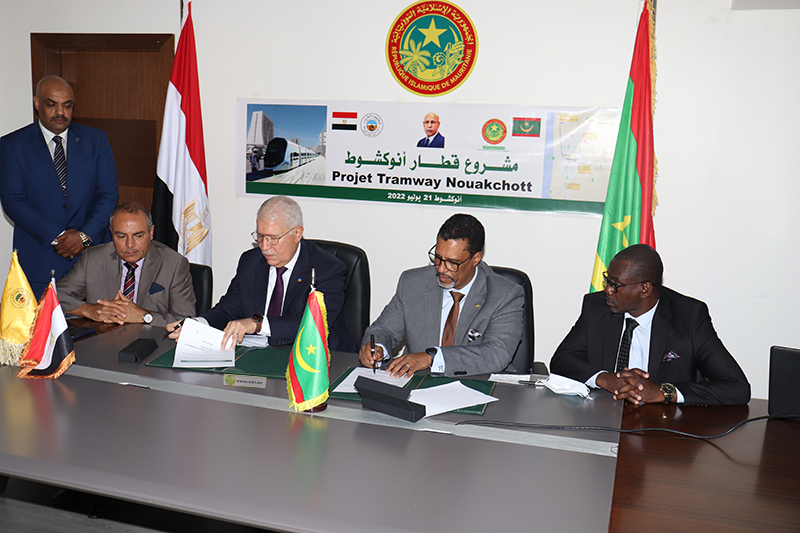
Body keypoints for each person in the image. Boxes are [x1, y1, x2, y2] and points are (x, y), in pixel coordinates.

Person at [550, 244, 750, 406]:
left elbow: (737, 387)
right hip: (605, 417)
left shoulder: (689, 317)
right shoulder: (596, 308)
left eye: (615, 285)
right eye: (607, 281)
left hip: (666, 428)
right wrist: (605, 379)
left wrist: (663, 392)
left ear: (645, 289)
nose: (608, 291)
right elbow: (561, 360)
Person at [167, 196, 357, 352]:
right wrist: (198, 324)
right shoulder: (251, 261)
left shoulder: (327, 268)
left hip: (315, 359)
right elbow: (229, 307)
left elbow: (313, 323)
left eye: (273, 238)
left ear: (297, 233)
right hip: (259, 354)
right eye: (260, 236)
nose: (264, 247)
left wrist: (257, 324)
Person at [359, 214, 524, 377]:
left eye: (452, 262)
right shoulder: (412, 283)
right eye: (438, 258)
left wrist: (431, 358)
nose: (441, 269)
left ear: (475, 259)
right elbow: (383, 329)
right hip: (417, 383)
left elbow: (496, 354)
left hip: (477, 383)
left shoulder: (505, 295)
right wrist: (377, 348)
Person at [0, 75, 118, 298]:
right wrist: (59, 237)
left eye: (67, 105)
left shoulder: (96, 140)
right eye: (51, 104)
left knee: (97, 320)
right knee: (41, 321)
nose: (60, 112)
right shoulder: (13, 145)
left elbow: (108, 194)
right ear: (37, 103)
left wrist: (83, 237)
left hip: (92, 258)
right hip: (40, 261)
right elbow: (13, 201)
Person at [57, 202, 196, 327]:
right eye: (121, 236)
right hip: (103, 340)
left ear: (151, 232)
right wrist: (89, 310)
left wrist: (144, 316)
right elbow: (54, 296)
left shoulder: (174, 264)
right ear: (112, 233)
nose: (130, 244)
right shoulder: (93, 259)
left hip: (151, 342)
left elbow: (186, 321)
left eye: (138, 236)